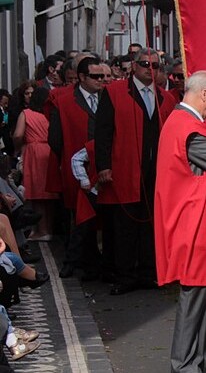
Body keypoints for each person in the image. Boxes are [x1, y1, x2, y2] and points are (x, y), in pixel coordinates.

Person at [154, 71, 206, 373]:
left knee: (203, 293)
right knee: (195, 296)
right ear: (204, 94)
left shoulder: (179, 123)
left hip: (194, 219)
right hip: (194, 222)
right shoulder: (186, 126)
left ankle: (199, 358)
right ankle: (186, 363)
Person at [95, 48, 177, 295]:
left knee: (152, 223)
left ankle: (148, 272)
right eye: (144, 64)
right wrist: (103, 165)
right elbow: (103, 132)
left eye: (154, 65)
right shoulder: (114, 92)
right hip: (125, 168)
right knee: (125, 225)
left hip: (157, 170)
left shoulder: (166, 98)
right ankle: (125, 275)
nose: (148, 69)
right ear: (134, 66)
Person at [48, 58, 109, 279]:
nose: (101, 81)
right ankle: (76, 261)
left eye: (103, 76)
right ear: (82, 77)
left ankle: (97, 263)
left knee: (103, 216)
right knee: (79, 217)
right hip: (77, 168)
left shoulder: (107, 97)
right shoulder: (64, 101)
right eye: (96, 77)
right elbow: (55, 139)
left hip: (103, 166)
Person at [10, 88, 53, 241]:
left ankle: (42, 230)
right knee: (48, 192)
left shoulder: (26, 114)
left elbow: (18, 134)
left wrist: (18, 148)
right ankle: (47, 227)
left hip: (34, 151)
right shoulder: (48, 114)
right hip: (48, 150)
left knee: (36, 192)